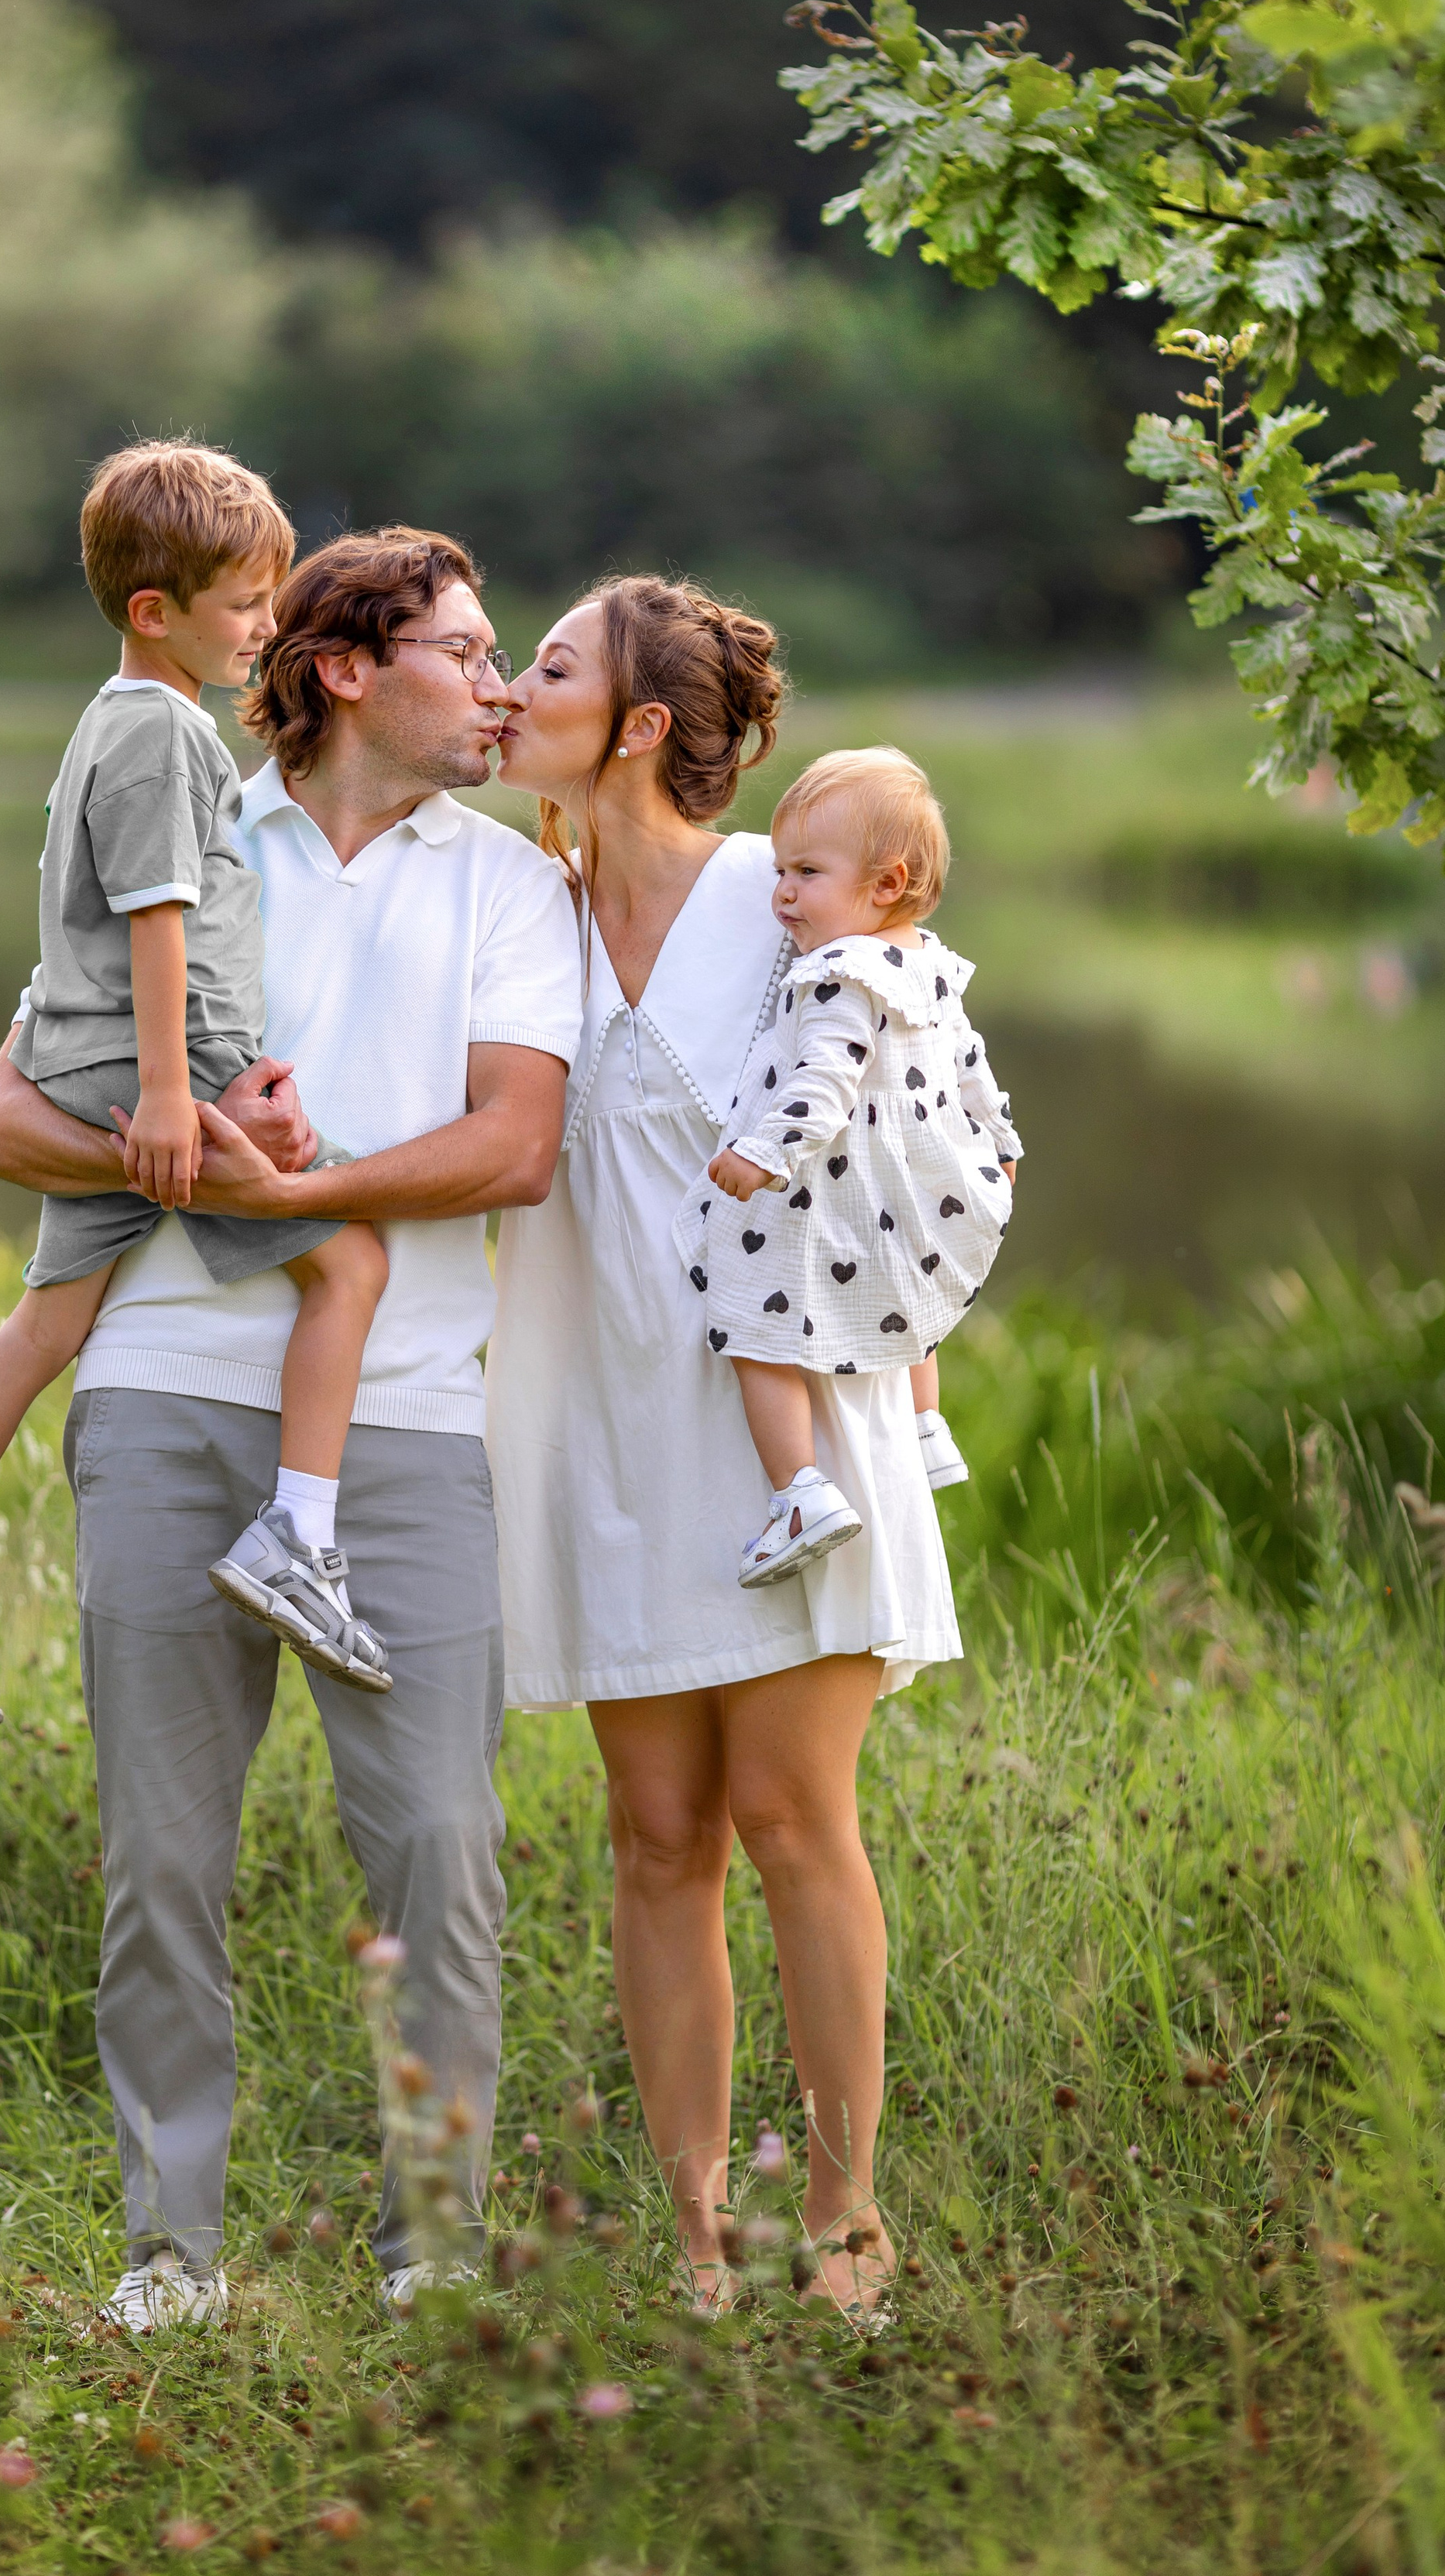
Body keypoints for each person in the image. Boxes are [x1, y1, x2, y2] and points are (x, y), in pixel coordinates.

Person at [0, 528, 582, 2331]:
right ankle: (171, 2251)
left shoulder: (506, 887)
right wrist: (209, 1182)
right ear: (339, 671)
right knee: (161, 1852)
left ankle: (433, 2247)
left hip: (402, 1428)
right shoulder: (176, 831)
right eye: (462, 655)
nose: (494, 688)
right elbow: (5, 1119)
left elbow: (514, 1148)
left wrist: (305, 1194)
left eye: (499, 659)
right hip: (158, 1399)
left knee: (439, 1851)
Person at [486, 578, 963, 2325]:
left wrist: (911, 1373)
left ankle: (843, 2222)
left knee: (786, 1813)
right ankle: (694, 2243)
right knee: (651, 1831)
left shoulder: (783, 910)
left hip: (783, 1425)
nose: (500, 685)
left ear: (626, 726)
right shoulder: (512, 911)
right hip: (602, 1424)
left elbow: (921, 1138)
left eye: (538, 665)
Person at [0, 445, 396, 1724]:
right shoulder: (162, 731)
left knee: (48, 1320)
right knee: (353, 1260)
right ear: (158, 612)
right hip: (154, 1060)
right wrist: (167, 1092)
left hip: (92, 1053)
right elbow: (156, 914)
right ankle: (299, 1533)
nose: (268, 625)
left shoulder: (109, 718)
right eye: (247, 604)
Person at [675, 746, 1021, 1586]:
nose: (782, 891)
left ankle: (798, 1493)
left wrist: (760, 1153)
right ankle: (924, 1425)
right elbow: (972, 1065)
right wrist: (1002, 1143)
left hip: (824, 1185)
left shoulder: (834, 971)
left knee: (754, 1328)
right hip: (907, 1187)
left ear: (886, 882)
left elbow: (820, 1085)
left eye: (806, 870)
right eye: (780, 869)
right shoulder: (929, 962)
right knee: (909, 1284)